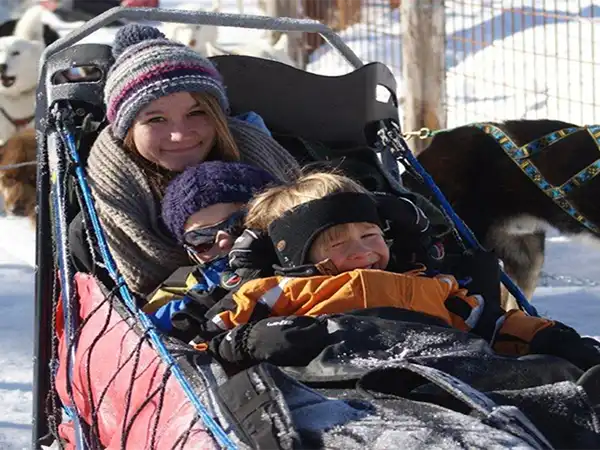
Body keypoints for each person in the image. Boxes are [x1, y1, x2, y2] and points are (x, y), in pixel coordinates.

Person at [195, 172, 600, 373]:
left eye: (370, 234)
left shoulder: (429, 286)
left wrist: (549, 336)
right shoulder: (275, 291)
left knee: (549, 379)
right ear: (296, 258)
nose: (363, 251)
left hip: (449, 366)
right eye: (337, 244)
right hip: (336, 377)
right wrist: (249, 340)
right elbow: (202, 344)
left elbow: (493, 323)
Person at [83, 24, 300, 295]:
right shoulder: (98, 219)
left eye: (196, 113)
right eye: (156, 119)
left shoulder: (262, 157)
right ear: (128, 130)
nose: (180, 135)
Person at [143, 161, 278, 332]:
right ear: (190, 251)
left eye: (239, 224)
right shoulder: (183, 287)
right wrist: (214, 297)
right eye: (201, 240)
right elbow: (147, 331)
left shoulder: (308, 249)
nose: (224, 242)